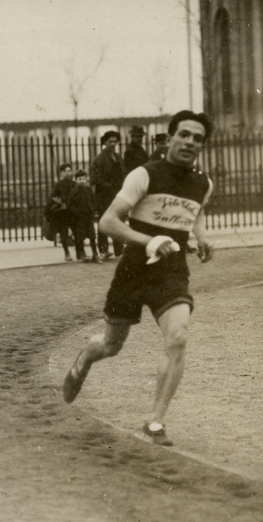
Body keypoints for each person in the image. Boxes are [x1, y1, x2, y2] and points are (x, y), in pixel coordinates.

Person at [62, 110, 215, 447]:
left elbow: (196, 211)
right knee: (111, 345)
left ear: (203, 145)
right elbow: (107, 221)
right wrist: (149, 241)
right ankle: (86, 356)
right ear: (171, 137)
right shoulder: (144, 174)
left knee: (178, 337)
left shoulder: (203, 182)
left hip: (172, 271)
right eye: (184, 134)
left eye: (198, 138)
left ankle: (155, 423)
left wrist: (201, 238)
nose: (190, 142)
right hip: (133, 269)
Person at [90, 130, 124, 259]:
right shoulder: (99, 159)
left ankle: (119, 250)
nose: (113, 144)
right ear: (104, 142)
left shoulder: (118, 157)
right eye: (110, 141)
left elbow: (123, 173)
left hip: (118, 194)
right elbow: (94, 178)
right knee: (104, 222)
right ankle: (104, 250)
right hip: (104, 195)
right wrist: (108, 186)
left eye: (115, 141)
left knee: (118, 221)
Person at [67, 170, 101, 263]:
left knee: (92, 236)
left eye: (83, 179)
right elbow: (69, 205)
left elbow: (93, 200)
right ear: (76, 180)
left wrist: (93, 208)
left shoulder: (88, 190)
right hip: (79, 218)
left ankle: (95, 254)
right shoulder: (74, 191)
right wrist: (77, 212)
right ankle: (81, 253)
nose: (82, 181)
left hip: (88, 217)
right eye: (79, 179)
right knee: (79, 237)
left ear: (86, 180)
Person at [45, 163, 77, 261]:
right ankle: (66, 252)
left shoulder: (74, 184)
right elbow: (53, 197)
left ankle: (80, 251)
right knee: (64, 232)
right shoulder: (58, 185)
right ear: (61, 173)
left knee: (77, 230)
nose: (67, 173)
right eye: (65, 171)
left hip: (73, 211)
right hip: (63, 212)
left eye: (69, 171)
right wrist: (62, 203)